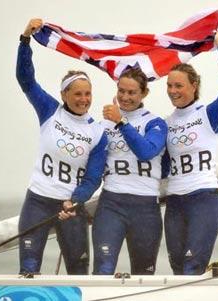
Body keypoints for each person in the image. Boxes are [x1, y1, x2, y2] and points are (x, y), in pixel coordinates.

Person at [16, 19, 107, 275]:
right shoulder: (49, 110)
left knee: (78, 270)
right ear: (65, 94)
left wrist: (75, 200)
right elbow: (26, 79)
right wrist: (25, 40)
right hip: (38, 201)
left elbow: (93, 177)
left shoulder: (97, 132)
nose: (83, 99)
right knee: (29, 268)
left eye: (87, 93)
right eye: (77, 94)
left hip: (71, 207)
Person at [162, 29, 218, 275]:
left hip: (203, 199)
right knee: (177, 268)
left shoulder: (209, 115)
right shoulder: (165, 123)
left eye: (179, 86)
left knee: (192, 266)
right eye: (169, 85)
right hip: (174, 202)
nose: (173, 90)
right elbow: (161, 166)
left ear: (194, 86)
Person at [92, 68, 168, 275]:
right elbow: (92, 169)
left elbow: (146, 152)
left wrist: (121, 122)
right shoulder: (102, 124)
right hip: (111, 204)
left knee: (143, 275)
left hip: (145, 209)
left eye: (132, 92)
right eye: (121, 91)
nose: (125, 97)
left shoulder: (155, 123)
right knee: (103, 270)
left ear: (144, 93)